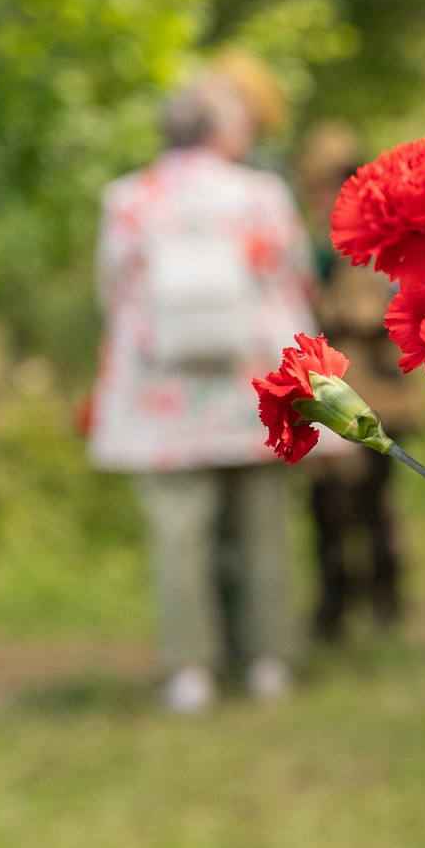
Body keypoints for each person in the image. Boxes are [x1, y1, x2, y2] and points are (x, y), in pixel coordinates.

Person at [88, 77, 319, 712]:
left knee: (178, 532)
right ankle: (268, 661)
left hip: (162, 388)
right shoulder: (260, 193)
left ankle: (192, 672)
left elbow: (113, 287)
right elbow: (295, 272)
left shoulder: (129, 198)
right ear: (219, 130)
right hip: (252, 380)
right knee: (263, 524)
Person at [295, 123, 419, 641]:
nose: (327, 195)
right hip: (323, 388)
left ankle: (386, 601)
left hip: (378, 390)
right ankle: (334, 603)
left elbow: (385, 309)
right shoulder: (306, 240)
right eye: (320, 185)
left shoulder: (381, 237)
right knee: (323, 506)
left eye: (337, 183)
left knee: (374, 500)